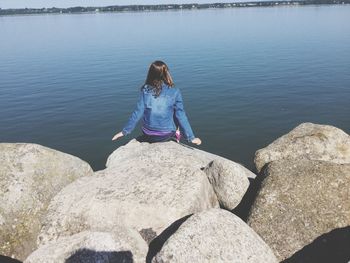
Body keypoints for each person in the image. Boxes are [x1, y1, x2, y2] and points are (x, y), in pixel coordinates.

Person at [112, 60, 201, 145]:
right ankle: (176, 136)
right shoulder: (175, 91)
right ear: (167, 73)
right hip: (165, 135)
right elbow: (180, 115)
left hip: (148, 133)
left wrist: (125, 131)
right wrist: (191, 137)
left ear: (150, 74)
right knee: (176, 113)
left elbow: (138, 112)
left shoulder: (145, 90)